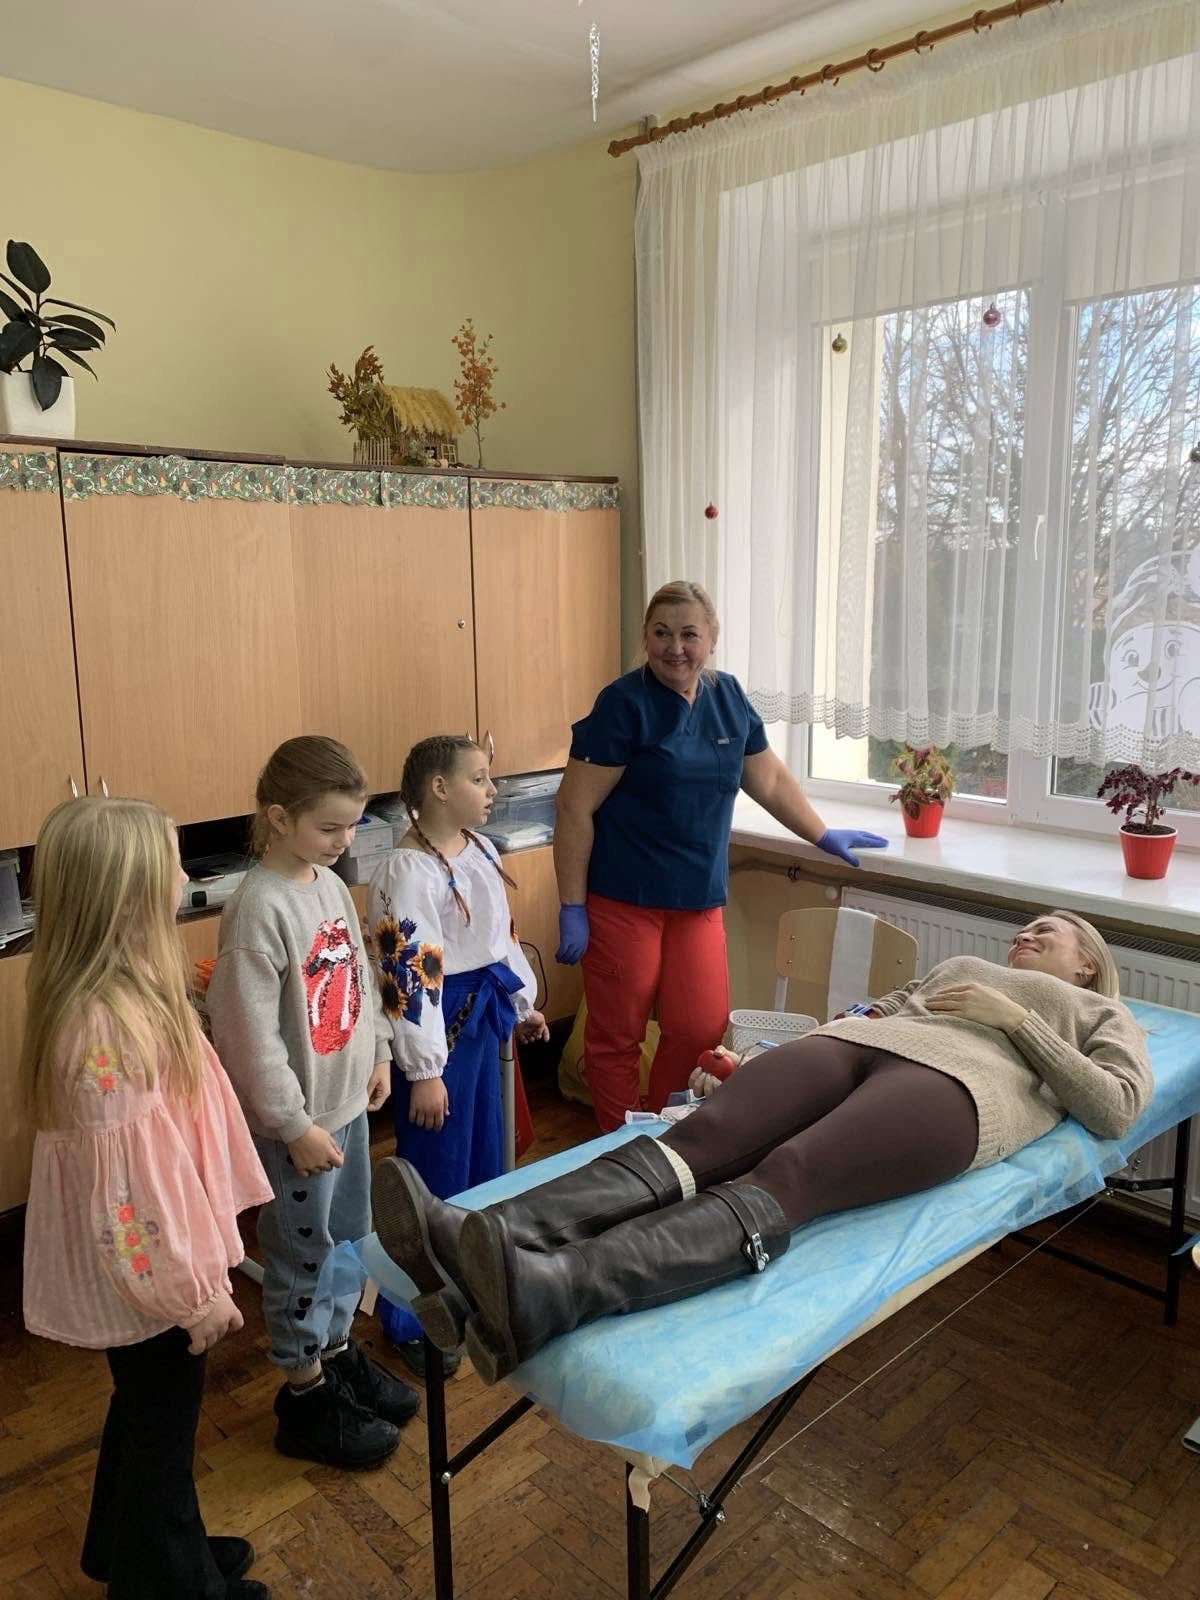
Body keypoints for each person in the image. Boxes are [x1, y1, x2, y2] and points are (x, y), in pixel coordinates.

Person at [373, 911, 1152, 1385]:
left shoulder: (1098, 1013)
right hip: (858, 1044)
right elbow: (881, 1007)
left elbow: (1115, 1106)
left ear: (1085, 961)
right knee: (699, 1136)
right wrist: (773, 1059)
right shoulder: (964, 965)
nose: (1025, 936)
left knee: (792, 1172)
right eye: (1024, 929)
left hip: (960, 1084)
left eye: (1046, 932)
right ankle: (479, 1239)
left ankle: (551, 1291)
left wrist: (1015, 1021)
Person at [21, 797, 275, 1600]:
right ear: (128, 892)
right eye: (172, 863)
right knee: (163, 1429)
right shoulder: (104, 1030)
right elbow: (127, 1198)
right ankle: (166, 1579)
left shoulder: (128, 987)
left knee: (143, 1411)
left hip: (152, 1262)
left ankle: (131, 1544)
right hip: (151, 1277)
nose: (183, 875)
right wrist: (190, 1295)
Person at [553, 578, 887, 1129]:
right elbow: (573, 807)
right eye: (661, 633)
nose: (674, 648)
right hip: (624, 897)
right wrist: (572, 904)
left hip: (697, 897)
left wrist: (821, 834)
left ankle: (664, 1133)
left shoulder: (728, 697)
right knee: (617, 1035)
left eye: (689, 634)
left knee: (700, 1027)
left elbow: (770, 780)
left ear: (712, 638)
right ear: (645, 637)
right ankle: (616, 1148)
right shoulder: (623, 704)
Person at [207, 735, 418, 1470]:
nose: (346, 840)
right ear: (278, 817)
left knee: (349, 1239)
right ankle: (303, 1393)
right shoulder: (257, 910)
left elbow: (359, 974)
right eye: (331, 826)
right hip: (298, 1128)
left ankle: (334, 1350)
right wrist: (293, 1125)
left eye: (353, 824)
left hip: (347, 1110)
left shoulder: (326, 883)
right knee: (303, 1253)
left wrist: (381, 1051)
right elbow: (247, 1040)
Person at [367, 734, 549, 1376]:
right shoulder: (407, 870)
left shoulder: (481, 849)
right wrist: (425, 1072)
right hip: (440, 1027)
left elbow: (500, 939)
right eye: (479, 778)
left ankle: (472, 1288)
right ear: (439, 789)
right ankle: (412, 1315)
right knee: (434, 1170)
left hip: (483, 1015)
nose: (492, 790)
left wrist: (522, 1006)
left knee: (482, 1160)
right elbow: (408, 972)